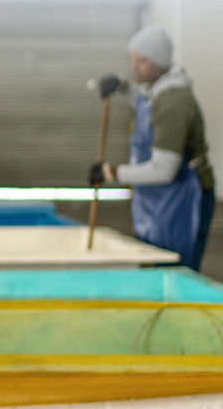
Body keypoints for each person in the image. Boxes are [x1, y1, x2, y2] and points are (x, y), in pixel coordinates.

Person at [90, 26, 214, 271]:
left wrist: (112, 173)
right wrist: (122, 85)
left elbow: (163, 170)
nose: (135, 67)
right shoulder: (157, 92)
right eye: (132, 60)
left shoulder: (174, 102)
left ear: (160, 62)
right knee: (154, 262)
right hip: (162, 200)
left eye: (143, 61)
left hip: (183, 200)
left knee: (175, 270)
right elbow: (144, 102)